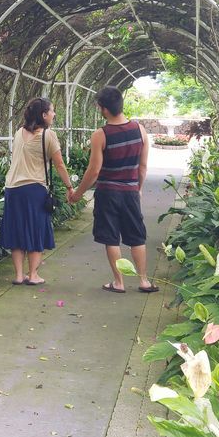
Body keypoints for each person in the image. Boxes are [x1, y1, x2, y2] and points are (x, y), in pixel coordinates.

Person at [69, 85, 158, 294]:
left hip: (108, 192)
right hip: (130, 191)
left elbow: (94, 171)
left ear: (103, 109)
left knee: (111, 237)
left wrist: (77, 194)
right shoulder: (140, 130)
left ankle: (118, 282)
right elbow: (142, 167)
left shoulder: (101, 134)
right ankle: (144, 281)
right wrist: (138, 188)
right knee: (137, 235)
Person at [0, 96, 75, 286]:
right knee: (36, 229)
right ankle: (33, 275)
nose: (54, 114)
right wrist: (69, 187)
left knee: (17, 230)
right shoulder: (48, 135)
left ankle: (18, 275)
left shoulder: (18, 133)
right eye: (52, 111)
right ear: (43, 115)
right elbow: (59, 164)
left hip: (12, 188)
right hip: (34, 189)